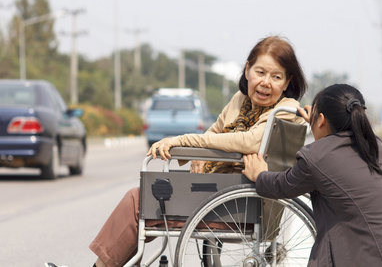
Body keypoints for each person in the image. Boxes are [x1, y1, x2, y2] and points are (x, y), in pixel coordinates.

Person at [45, 36, 307, 267]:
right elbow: (214, 134)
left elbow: (249, 142)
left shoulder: (287, 110)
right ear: (248, 70)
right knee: (143, 197)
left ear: (287, 82)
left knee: (139, 200)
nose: (266, 82)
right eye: (260, 72)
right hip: (222, 191)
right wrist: (197, 155)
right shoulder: (239, 101)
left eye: (276, 77)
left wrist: (184, 142)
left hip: (241, 202)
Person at [242, 84, 382, 267]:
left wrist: (259, 174)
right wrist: (318, 121)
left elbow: (283, 186)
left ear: (321, 119)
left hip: (375, 254)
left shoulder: (317, 156)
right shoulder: (374, 143)